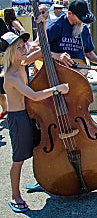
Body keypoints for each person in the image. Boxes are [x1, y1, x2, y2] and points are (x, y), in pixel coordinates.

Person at [0, 31, 69, 213]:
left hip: (30, 114)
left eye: (24, 46)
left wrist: (43, 26)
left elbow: (41, 51)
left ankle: (42, 179)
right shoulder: (10, 76)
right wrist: (57, 89)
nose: (24, 50)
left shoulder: (22, 63)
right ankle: (15, 195)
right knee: (19, 159)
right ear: (9, 52)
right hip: (18, 118)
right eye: (19, 48)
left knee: (40, 149)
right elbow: (34, 96)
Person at [34, 0, 97, 70]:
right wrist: (56, 55)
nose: (81, 21)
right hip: (58, 69)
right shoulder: (56, 26)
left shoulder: (84, 29)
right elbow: (36, 48)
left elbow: (89, 52)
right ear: (70, 13)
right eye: (79, 18)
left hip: (79, 70)